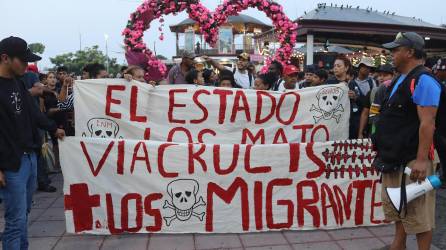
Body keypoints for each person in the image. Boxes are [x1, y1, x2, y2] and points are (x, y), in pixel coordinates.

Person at [374, 32, 442, 250]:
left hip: (414, 160)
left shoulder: (425, 80)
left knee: (419, 216)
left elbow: (427, 123)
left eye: (396, 50)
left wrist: (422, 161)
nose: (391, 54)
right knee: (398, 208)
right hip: (394, 157)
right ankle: (398, 245)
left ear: (410, 52)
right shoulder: (399, 79)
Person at [0, 36, 65, 250]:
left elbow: (34, 114)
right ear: (5, 58)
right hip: (11, 163)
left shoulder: (18, 83)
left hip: (30, 158)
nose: (27, 65)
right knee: (15, 220)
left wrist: (54, 129)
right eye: (23, 60)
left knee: (24, 215)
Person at [358, 64, 394, 139]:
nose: (381, 78)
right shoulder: (372, 93)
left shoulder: (398, 92)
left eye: (385, 75)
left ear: (393, 76)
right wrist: (360, 133)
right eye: (380, 75)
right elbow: (365, 113)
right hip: (375, 132)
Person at [349, 57, 377, 139]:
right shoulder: (351, 83)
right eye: (364, 66)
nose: (367, 69)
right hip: (355, 118)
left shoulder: (372, 82)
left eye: (369, 67)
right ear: (359, 67)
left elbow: (374, 100)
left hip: (369, 118)